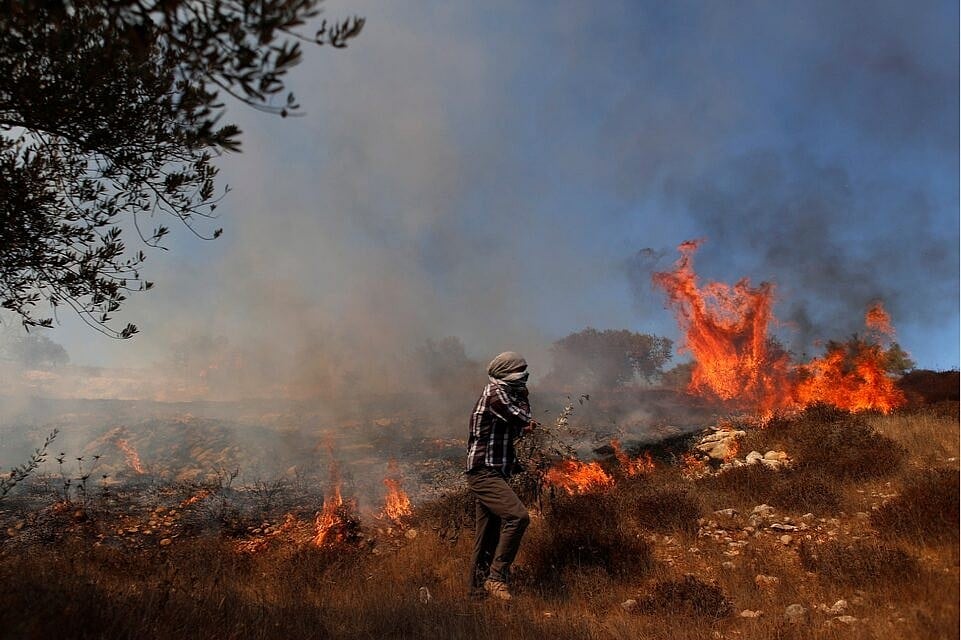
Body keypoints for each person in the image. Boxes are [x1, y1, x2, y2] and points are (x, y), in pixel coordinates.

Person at [465, 351, 537, 601]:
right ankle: (496, 578)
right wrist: (525, 400)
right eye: (522, 373)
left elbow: (521, 425)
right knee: (518, 517)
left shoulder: (503, 394)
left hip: (492, 472)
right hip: (484, 472)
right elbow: (524, 419)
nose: (525, 378)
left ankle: (476, 595)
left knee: (486, 537)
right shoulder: (496, 395)